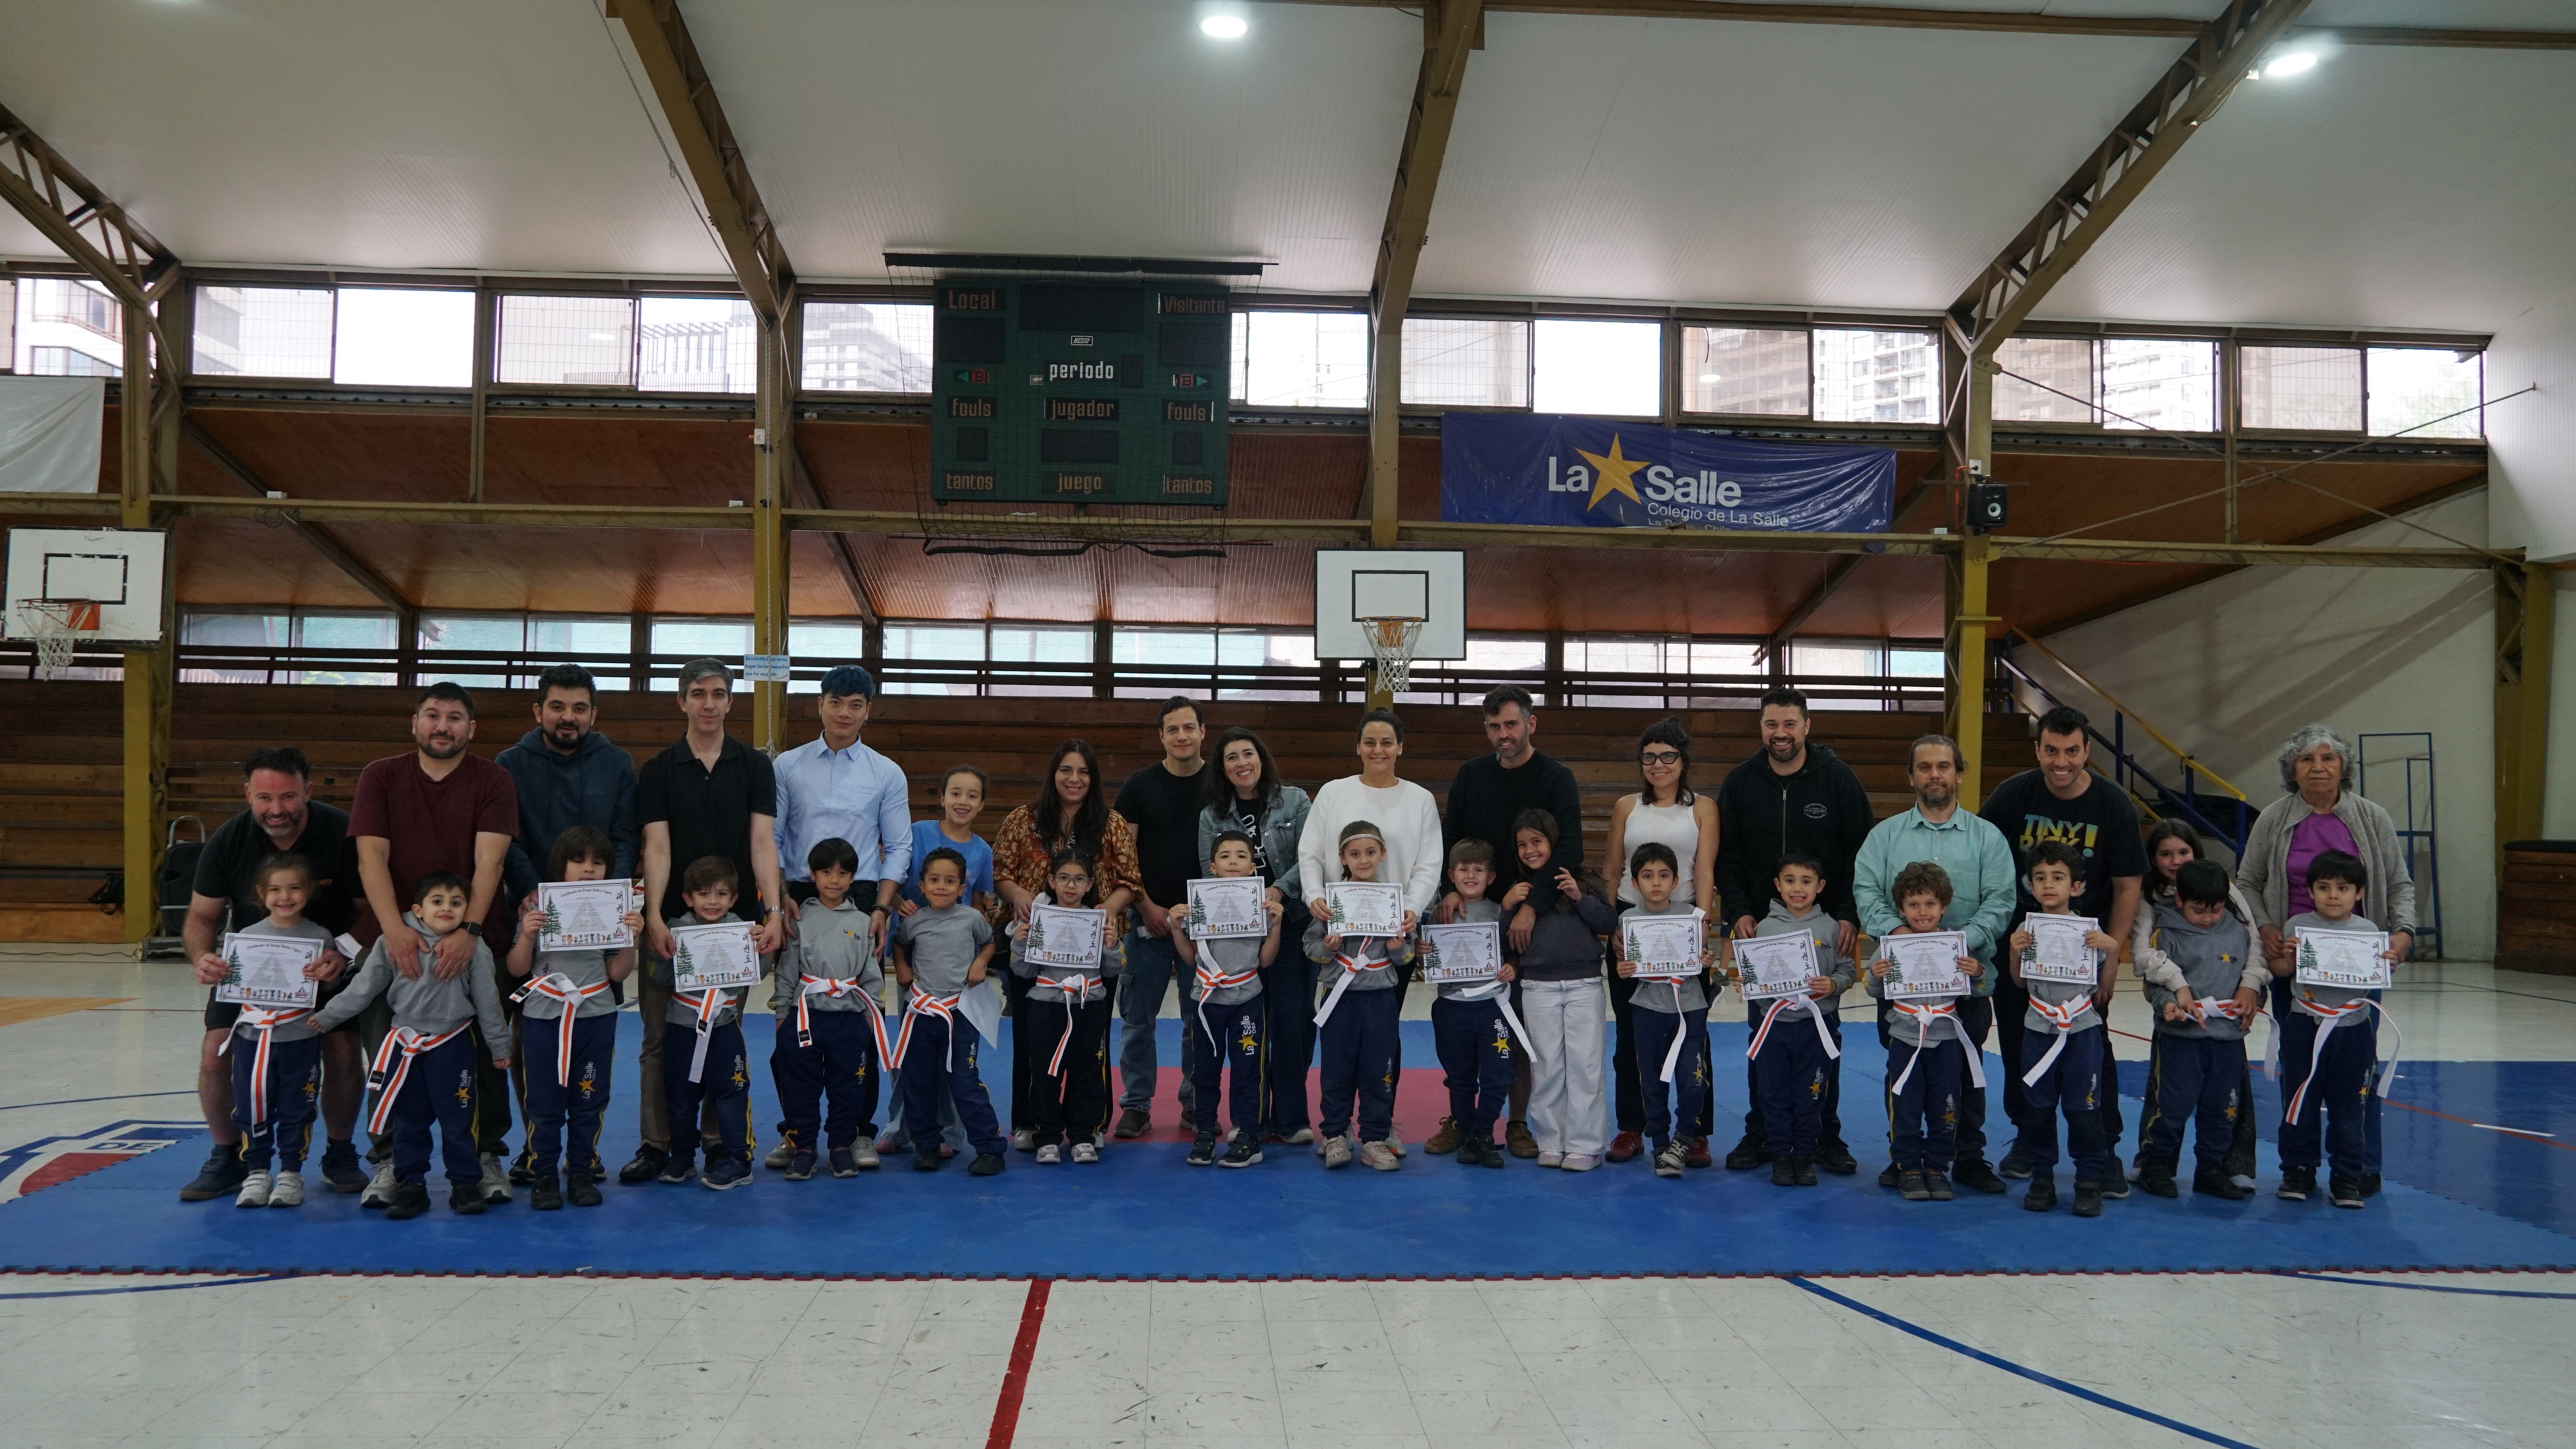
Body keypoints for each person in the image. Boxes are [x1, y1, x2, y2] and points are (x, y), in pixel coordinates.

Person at [349, 682, 520, 1208]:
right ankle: (389, 1160)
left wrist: (468, 932)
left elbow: (490, 862)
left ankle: (486, 1154)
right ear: (415, 722)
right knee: (389, 1055)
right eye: (432, 715)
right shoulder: (381, 775)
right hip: (396, 944)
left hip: (474, 942)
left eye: (453, 717)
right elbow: (371, 859)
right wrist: (394, 931)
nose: (441, 726)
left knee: (485, 1054)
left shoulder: (493, 779)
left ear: (472, 728)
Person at [621, 660, 785, 1186]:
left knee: (722, 1031)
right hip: (672, 925)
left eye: (718, 694)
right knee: (657, 1037)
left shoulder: (756, 767)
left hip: (734, 924)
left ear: (731, 702)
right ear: (682, 701)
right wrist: (654, 916)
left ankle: (719, 1143)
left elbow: (763, 843)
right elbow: (658, 846)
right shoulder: (660, 769)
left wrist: (775, 910)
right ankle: (660, 1143)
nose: (709, 703)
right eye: (698, 694)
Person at [2236, 723, 2417, 1199]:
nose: (2318, 767)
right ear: (2292, 771)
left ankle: (2359, 1167)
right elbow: (2248, 882)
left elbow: (2399, 884)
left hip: (2358, 961)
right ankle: (2299, 1167)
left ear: (2343, 767)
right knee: (2300, 1070)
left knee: (2357, 1072)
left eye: (2328, 759)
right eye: (2306, 760)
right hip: (2292, 959)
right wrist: (2267, 928)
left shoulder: (2371, 817)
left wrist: (2402, 934)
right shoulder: (2274, 819)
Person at [179, 748, 365, 1203]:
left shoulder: (343, 832)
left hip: (327, 963)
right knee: (213, 1053)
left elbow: (372, 913)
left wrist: (344, 952)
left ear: (308, 791)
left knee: (343, 1051)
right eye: (264, 797)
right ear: (247, 794)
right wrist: (202, 957)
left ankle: (340, 1151)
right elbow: (201, 918)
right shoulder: (228, 839)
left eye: (287, 796)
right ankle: (227, 1156)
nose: (276, 809)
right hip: (251, 970)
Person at [1978, 705, 2147, 1189]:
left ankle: (2105, 1149)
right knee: (2019, 1044)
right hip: (2023, 949)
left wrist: (2111, 959)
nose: (2061, 761)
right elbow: (1984, 857)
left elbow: (2128, 884)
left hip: (2082, 957)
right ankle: (2031, 1140)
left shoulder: (2112, 804)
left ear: (2087, 751)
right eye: (2051, 750)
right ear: (2038, 749)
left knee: (2093, 1054)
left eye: (2072, 751)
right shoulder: (2013, 795)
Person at [1713, 687, 1873, 1175]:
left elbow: (1860, 853)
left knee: (1823, 1038)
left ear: (1807, 725)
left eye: (1789, 723)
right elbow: (1729, 856)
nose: (1779, 733)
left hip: (1825, 932)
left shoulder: (1838, 779)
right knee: (1764, 1036)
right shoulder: (1740, 782)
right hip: (1765, 931)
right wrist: (1739, 910)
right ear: (1760, 727)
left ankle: (1826, 1135)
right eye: (1770, 724)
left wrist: (1847, 912)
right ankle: (1762, 1131)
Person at [1852, 734, 2017, 1194]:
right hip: (1902, 986)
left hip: (1968, 980)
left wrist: (1961, 943)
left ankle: (1966, 1157)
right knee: (1904, 1073)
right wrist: (1900, 934)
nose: (1935, 775)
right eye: (1924, 767)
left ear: (1960, 774)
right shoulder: (1883, 837)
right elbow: (1866, 893)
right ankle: (1904, 1157)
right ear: (1911, 777)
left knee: (1966, 1070)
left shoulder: (1988, 838)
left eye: (1944, 766)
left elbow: (2002, 901)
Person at [765, 664, 909, 1168]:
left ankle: (857, 1132)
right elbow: (773, 838)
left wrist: (883, 906)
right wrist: (777, 895)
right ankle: (795, 1132)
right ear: (819, 704)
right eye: (835, 702)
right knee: (792, 1021)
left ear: (868, 710)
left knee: (858, 1021)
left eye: (855, 705)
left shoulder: (886, 772)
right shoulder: (787, 765)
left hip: (862, 895)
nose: (844, 713)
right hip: (796, 893)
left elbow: (899, 845)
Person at [308, 871, 511, 1222]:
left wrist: (499, 1046)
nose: (447, 908)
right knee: (409, 1119)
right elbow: (364, 989)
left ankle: (464, 1183)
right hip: (405, 1046)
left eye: (456, 903)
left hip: (453, 1044)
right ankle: (411, 1184)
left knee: (458, 1118)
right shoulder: (394, 942)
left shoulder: (474, 948)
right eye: (438, 901)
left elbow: (488, 1002)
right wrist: (328, 1016)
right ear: (418, 909)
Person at [1437, 687, 1583, 1160]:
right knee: (1461, 1023)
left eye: (1511, 724)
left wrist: (1532, 905)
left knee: (1514, 1025)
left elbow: (1569, 849)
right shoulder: (1471, 775)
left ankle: (1517, 1122)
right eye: (1495, 726)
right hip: (1474, 917)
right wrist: (1454, 889)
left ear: (1530, 724)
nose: (1504, 734)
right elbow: (1450, 839)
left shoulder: (1556, 777)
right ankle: (1464, 1119)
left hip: (1528, 918)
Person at [994, 740, 1140, 1149]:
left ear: (1093, 779)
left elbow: (1131, 881)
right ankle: (1032, 1123)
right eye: (1066, 770)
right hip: (1032, 945)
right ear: (1053, 774)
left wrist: (1106, 913)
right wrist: (1021, 897)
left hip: (1094, 950)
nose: (1074, 779)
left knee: (1090, 1043)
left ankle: (1088, 1125)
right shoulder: (1022, 820)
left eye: (1084, 772)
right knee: (1030, 1037)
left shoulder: (1111, 823)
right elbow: (1000, 872)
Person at [1604, 718, 1719, 1167]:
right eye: (1650, 756)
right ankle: (1633, 1125)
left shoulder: (1702, 808)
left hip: (1684, 926)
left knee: (1695, 1035)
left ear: (1683, 761)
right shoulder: (1626, 806)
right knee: (1632, 1034)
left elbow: (1705, 868)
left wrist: (1703, 924)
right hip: (1632, 927)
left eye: (1668, 756)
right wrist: (1612, 924)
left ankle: (1695, 1134)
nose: (1659, 764)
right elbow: (1614, 868)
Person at [502, 825, 637, 1211]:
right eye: (579, 861)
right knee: (544, 1101)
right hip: (544, 1014)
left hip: (594, 1013)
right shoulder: (537, 907)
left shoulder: (614, 909)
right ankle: (543, 1173)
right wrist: (527, 936)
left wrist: (631, 937)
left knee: (589, 1098)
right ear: (560, 866)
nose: (589, 870)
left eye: (598, 863)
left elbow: (618, 974)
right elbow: (517, 968)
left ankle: (580, 1170)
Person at [1196, 728, 1313, 1145]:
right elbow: (1209, 874)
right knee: (1250, 1023)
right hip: (1238, 933)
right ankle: (1252, 1117)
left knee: (1292, 1020)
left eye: (1249, 753)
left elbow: (1309, 857)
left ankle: (1292, 1117)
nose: (1242, 762)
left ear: (1261, 757)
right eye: (1232, 757)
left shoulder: (1296, 800)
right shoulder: (1212, 815)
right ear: (1222, 767)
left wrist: (1278, 890)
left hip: (1292, 920)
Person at [2130, 821, 2262, 1188]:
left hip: (2227, 1038)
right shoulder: (2160, 920)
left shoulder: (2232, 913)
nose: (2175, 861)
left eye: (2183, 852)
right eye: (2166, 854)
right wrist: (2173, 996)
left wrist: (2251, 988)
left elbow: (2257, 952)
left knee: (2223, 1109)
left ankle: (2214, 1168)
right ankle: (2155, 1165)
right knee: (2170, 1106)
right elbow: (2145, 961)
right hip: (2180, 1037)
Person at [2274, 849, 2403, 1210]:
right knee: (2300, 1099)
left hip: (2354, 1027)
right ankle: (2298, 1169)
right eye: (2324, 887)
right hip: (2305, 1023)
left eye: (2343, 888)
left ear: (2359, 893)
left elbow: (2379, 975)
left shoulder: (2370, 932)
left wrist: (2389, 962)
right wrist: (2288, 957)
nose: (2333, 895)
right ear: (2311, 891)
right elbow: (2283, 973)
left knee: (2351, 1105)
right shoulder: (2297, 926)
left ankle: (2347, 1176)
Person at [2003, 840, 2123, 1218]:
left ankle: (2089, 1181)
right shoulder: (2027, 929)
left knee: (2084, 1106)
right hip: (2038, 1027)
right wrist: (2014, 953)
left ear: (2077, 887)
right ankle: (2042, 1178)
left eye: (2058, 877)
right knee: (2038, 1106)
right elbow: (2020, 985)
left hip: (2082, 1029)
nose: (2049, 885)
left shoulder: (2092, 933)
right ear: (2031, 885)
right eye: (2040, 878)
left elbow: (2106, 985)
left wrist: (2114, 950)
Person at [210, 852, 336, 1210]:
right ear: (260, 894)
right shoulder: (245, 938)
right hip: (252, 1038)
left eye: (295, 888)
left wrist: (328, 974)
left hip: (300, 1038)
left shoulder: (320, 937)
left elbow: (327, 988)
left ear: (309, 891)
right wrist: (223, 973)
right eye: (276, 889)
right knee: (252, 1105)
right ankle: (257, 1171)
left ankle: (291, 1174)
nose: (286, 897)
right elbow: (231, 989)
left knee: (299, 1106)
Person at [1111, 697, 1212, 1140]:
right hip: (1146, 920)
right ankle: (1136, 1104)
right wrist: (1144, 905)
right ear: (1162, 736)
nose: (1182, 737)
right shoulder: (1138, 786)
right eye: (1173, 730)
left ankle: (1195, 1101)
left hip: (1207, 922)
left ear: (1203, 731)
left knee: (1200, 1018)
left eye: (1189, 727)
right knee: (1138, 1018)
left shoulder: (1221, 783)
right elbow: (1123, 855)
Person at [883, 765, 995, 1159]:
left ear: (982, 804)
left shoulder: (983, 851)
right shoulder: (917, 833)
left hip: (957, 968)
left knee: (955, 1063)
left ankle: (949, 1133)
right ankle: (901, 1128)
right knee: (910, 1054)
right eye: (956, 793)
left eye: (972, 795)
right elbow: (892, 879)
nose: (963, 801)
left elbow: (980, 905)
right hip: (916, 959)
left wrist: (979, 959)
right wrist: (898, 905)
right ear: (942, 798)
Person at [1865, 861, 1986, 1203]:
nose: (1922, 912)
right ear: (1901, 909)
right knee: (1905, 1104)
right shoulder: (1891, 945)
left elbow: (1972, 991)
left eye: (1930, 904)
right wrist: (1876, 974)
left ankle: (1936, 1166)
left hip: (1947, 1038)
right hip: (1905, 1038)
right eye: (1914, 905)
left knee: (1946, 1104)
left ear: (1943, 907)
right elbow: (1875, 991)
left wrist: (1975, 973)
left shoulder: (1955, 945)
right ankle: (1908, 1167)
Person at [1507, 808, 1617, 1172]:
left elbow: (1607, 923)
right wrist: (1509, 908)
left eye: (1537, 841)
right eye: (1522, 844)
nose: (1529, 850)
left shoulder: (1583, 881)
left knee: (1585, 1065)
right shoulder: (1519, 889)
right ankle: (1551, 1140)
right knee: (1546, 1066)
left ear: (1554, 842)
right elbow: (1508, 941)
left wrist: (1579, 896)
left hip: (1584, 984)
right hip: (1538, 987)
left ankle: (1586, 1144)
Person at [771, 837, 886, 1181]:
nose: (833, 880)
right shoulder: (800, 917)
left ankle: (840, 1146)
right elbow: (787, 970)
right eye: (826, 872)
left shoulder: (864, 921)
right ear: (812, 874)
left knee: (847, 1087)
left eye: (842, 873)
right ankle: (804, 1147)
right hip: (806, 1016)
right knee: (800, 1086)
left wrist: (870, 1016)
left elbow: (871, 973)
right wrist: (782, 1014)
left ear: (853, 878)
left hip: (850, 1018)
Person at [1738, 852, 1855, 1188]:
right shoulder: (1766, 927)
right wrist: (1750, 988)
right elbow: (1752, 974)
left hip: (1817, 1026)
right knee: (1772, 1093)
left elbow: (1847, 970)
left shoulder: (1831, 928)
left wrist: (1834, 984)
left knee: (1812, 1092)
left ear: (1820, 887)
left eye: (1806, 882)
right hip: (1774, 1026)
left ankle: (1804, 1155)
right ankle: (1779, 1155)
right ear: (1778, 885)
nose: (1798, 889)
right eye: (1790, 881)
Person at [1306, 821, 1417, 1171]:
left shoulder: (1394, 901)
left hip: (1380, 996)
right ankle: (1336, 1133)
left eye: (1371, 853)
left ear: (1383, 855)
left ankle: (1374, 1137)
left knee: (1378, 1070)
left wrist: (1399, 949)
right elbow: (1309, 947)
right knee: (1336, 1069)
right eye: (1355, 854)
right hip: (1339, 996)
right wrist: (1327, 948)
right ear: (1343, 858)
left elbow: (1409, 955)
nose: (1364, 859)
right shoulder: (1330, 902)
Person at [891, 846, 1005, 1176]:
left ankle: (989, 1147)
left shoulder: (971, 918)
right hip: (923, 1013)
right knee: (919, 1080)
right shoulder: (914, 921)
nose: (942, 886)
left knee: (965, 1081)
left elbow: (989, 943)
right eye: (934, 880)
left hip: (960, 1014)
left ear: (962, 887)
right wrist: (901, 966)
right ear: (922, 886)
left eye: (950, 881)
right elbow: (900, 943)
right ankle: (926, 1146)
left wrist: (981, 963)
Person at [650, 855, 762, 1191]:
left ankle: (739, 1160)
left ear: (734, 899)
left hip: (724, 1026)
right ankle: (682, 1156)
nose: (712, 902)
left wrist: (760, 946)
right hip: (683, 1026)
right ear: (689, 898)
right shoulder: (676, 929)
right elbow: (658, 977)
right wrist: (670, 955)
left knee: (732, 1092)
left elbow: (760, 973)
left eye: (722, 894)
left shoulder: (742, 929)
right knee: (681, 1098)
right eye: (703, 894)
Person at [1173, 829, 1280, 1168]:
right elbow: (1190, 960)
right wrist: (1176, 927)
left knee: (1248, 1071)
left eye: (1241, 856)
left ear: (1253, 867)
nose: (1233, 861)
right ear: (1212, 867)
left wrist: (1276, 926)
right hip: (1206, 1000)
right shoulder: (1198, 905)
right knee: (1204, 1071)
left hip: (1247, 998)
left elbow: (1265, 961)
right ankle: (1204, 1132)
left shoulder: (1261, 907)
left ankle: (1249, 1135)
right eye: (1225, 856)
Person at [1614, 843, 1716, 1181]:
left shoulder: (1691, 916)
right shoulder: (1628, 919)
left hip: (1690, 1008)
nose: (1655, 883)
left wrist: (1705, 961)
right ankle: (1660, 1142)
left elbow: (1703, 956)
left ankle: (1685, 1138)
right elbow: (1627, 965)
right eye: (1647, 876)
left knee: (1693, 1079)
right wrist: (1624, 969)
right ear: (1634, 882)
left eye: (1663, 876)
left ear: (1676, 881)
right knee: (1652, 1081)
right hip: (1647, 1009)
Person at [1016, 849, 1124, 1164]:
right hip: (1046, 1005)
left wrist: (1112, 945)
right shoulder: (1039, 919)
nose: (1070, 885)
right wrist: (1021, 942)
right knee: (1045, 1073)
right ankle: (1046, 1136)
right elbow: (1023, 972)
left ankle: (1083, 1135)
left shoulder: (1098, 921)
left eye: (1079, 879)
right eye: (1063, 878)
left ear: (1090, 884)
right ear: (1051, 881)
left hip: (1088, 1005)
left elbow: (1113, 971)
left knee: (1088, 1072)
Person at [495, 664, 638, 899]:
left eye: (580, 709)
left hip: (601, 898)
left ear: (593, 715)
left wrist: (612, 890)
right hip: (531, 901)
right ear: (539, 712)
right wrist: (530, 889)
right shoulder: (510, 764)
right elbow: (509, 842)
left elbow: (625, 839)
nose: (568, 717)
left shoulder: (618, 763)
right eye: (557, 707)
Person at [1426, 839, 1515, 1169]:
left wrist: (1513, 968)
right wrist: (1423, 949)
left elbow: (1515, 952)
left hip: (1493, 1005)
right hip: (1452, 1005)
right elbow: (1422, 946)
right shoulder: (1439, 912)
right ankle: (1465, 1135)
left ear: (1491, 877)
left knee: (1501, 1072)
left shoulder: (1501, 913)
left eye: (1479, 870)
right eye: (1464, 869)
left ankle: (1483, 1133)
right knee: (1460, 1076)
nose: (1471, 876)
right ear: (1452, 874)